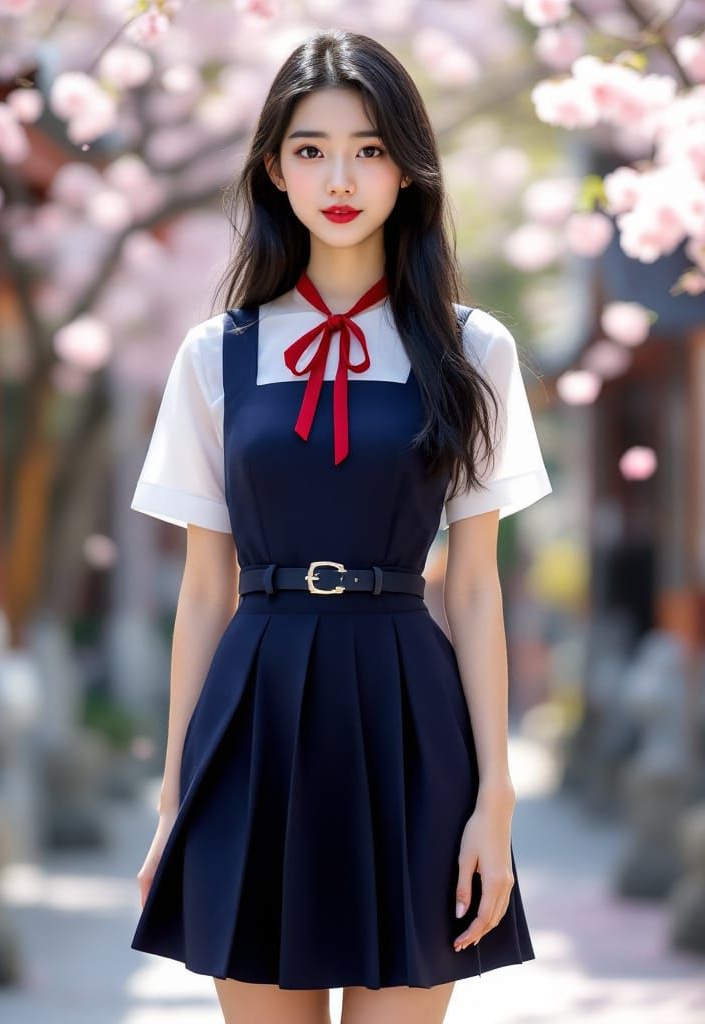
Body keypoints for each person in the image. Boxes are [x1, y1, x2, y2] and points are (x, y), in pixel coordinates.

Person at [129, 27, 552, 1024]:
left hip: (409, 712)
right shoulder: (214, 356)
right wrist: (169, 799)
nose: (341, 176)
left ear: (407, 166)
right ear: (275, 170)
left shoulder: (471, 346)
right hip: (256, 713)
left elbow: (477, 584)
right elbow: (202, 592)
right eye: (311, 149)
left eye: (368, 147)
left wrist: (496, 796)